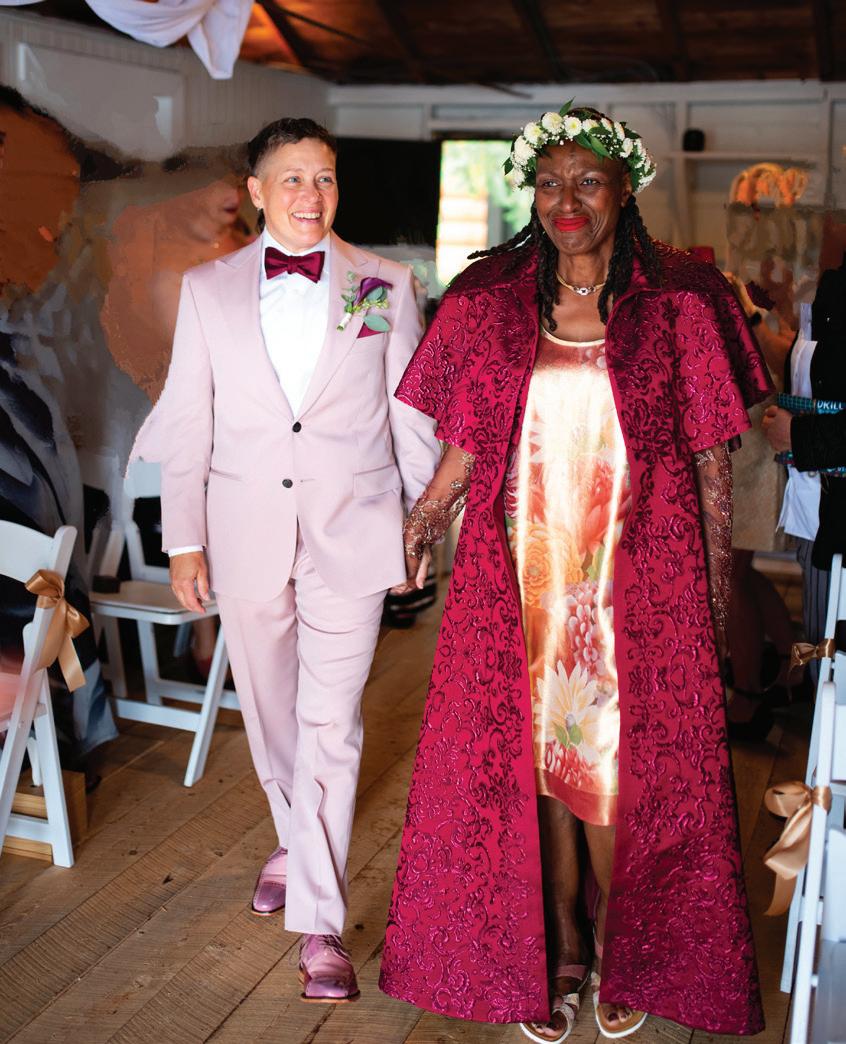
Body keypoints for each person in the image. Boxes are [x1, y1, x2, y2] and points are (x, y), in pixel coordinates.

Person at [380, 105, 771, 1040]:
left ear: (624, 189)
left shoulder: (681, 302)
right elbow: (471, 439)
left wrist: (712, 598)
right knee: (538, 769)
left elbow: (713, 463)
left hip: (637, 585)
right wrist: (424, 519)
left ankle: (627, 948)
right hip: (525, 582)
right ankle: (558, 946)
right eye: (549, 182)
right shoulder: (492, 302)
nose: (567, 200)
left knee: (622, 768)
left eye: (588, 181)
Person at [129, 117, 440, 1003]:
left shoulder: (382, 284)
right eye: (294, 178)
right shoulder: (208, 289)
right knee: (273, 723)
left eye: (326, 177)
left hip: (357, 530)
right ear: (257, 192)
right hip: (245, 534)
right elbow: (188, 418)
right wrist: (183, 540)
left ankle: (319, 927)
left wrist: (420, 529)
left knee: (331, 728)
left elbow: (410, 416)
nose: (312, 194)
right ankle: (297, 843)